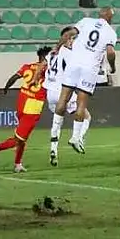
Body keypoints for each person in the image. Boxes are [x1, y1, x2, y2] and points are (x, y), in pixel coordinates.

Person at [54, 8, 117, 155]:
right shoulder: (110, 32)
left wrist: (58, 47)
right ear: (110, 18)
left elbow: (69, 33)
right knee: (81, 103)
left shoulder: (85, 21)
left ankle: (55, 133)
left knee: (63, 98)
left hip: (74, 64)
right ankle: (75, 137)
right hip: (89, 69)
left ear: (99, 15)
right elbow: (110, 52)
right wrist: (112, 67)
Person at [0, 47, 51, 173]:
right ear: (46, 58)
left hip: (22, 103)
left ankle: (18, 164)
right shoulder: (48, 70)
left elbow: (14, 78)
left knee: (22, 137)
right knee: (19, 139)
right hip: (33, 107)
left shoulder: (27, 66)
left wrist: (6, 89)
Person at [44, 27, 89, 166]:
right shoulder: (67, 53)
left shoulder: (51, 54)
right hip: (61, 91)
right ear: (66, 38)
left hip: (50, 93)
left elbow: (44, 66)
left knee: (57, 122)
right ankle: (78, 138)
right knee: (86, 116)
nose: (72, 41)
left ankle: (53, 151)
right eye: (71, 39)